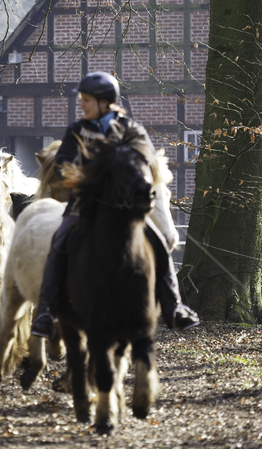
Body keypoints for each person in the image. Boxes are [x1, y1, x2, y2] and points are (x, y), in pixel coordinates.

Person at [31, 71, 199, 338]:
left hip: (125, 209)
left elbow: (144, 162)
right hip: (83, 208)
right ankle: (45, 312)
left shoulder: (132, 130)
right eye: (82, 100)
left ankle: (174, 308)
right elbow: (62, 165)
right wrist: (80, 174)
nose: (82, 105)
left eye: (87, 100)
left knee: (158, 244)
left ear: (105, 103)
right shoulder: (76, 131)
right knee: (59, 245)